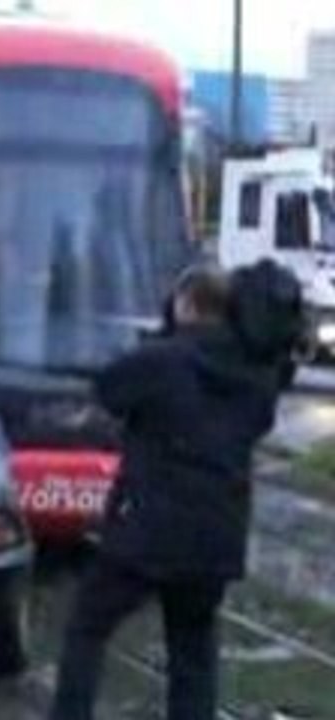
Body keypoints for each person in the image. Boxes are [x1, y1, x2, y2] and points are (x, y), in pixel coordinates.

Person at [49, 261, 303, 720]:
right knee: (193, 654)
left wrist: (162, 338)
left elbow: (107, 388)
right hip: (214, 542)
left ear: (184, 304)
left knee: (87, 627)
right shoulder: (258, 378)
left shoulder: (162, 361)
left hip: (146, 535)